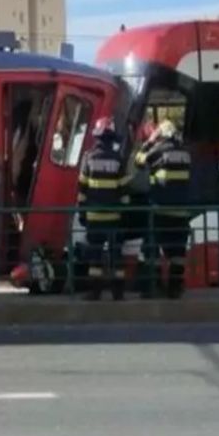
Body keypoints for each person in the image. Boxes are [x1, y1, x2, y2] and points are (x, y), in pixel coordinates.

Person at [134, 119, 192, 299]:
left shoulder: (158, 150)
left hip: (160, 210)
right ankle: (175, 288)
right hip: (181, 212)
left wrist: (150, 140)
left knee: (151, 248)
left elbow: (138, 160)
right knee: (177, 252)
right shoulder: (186, 153)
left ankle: (155, 286)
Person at [78, 117, 130, 301]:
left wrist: (82, 212)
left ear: (97, 137)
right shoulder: (118, 160)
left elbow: (82, 188)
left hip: (94, 216)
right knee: (116, 255)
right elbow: (124, 191)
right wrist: (123, 213)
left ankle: (95, 291)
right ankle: (118, 293)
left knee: (95, 255)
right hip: (114, 217)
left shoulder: (88, 157)